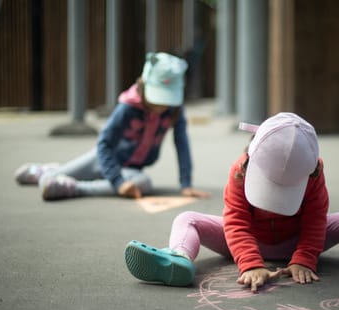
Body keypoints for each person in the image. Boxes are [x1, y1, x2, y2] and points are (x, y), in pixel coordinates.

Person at [123, 112, 339, 291]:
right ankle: (178, 260)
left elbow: (316, 218)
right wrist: (250, 263)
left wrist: (304, 257)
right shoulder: (240, 170)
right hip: (246, 242)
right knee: (187, 218)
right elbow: (235, 221)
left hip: (295, 241)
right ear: (251, 158)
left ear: (310, 168)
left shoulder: (315, 173)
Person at [14, 52, 210, 201]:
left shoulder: (174, 110)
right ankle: (49, 171)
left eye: (167, 100)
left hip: (131, 169)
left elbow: (181, 142)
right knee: (50, 178)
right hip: (103, 159)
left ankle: (74, 187)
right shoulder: (128, 107)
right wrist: (118, 182)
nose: (161, 106)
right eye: (157, 98)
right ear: (143, 86)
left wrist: (186, 183)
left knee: (143, 183)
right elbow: (104, 144)